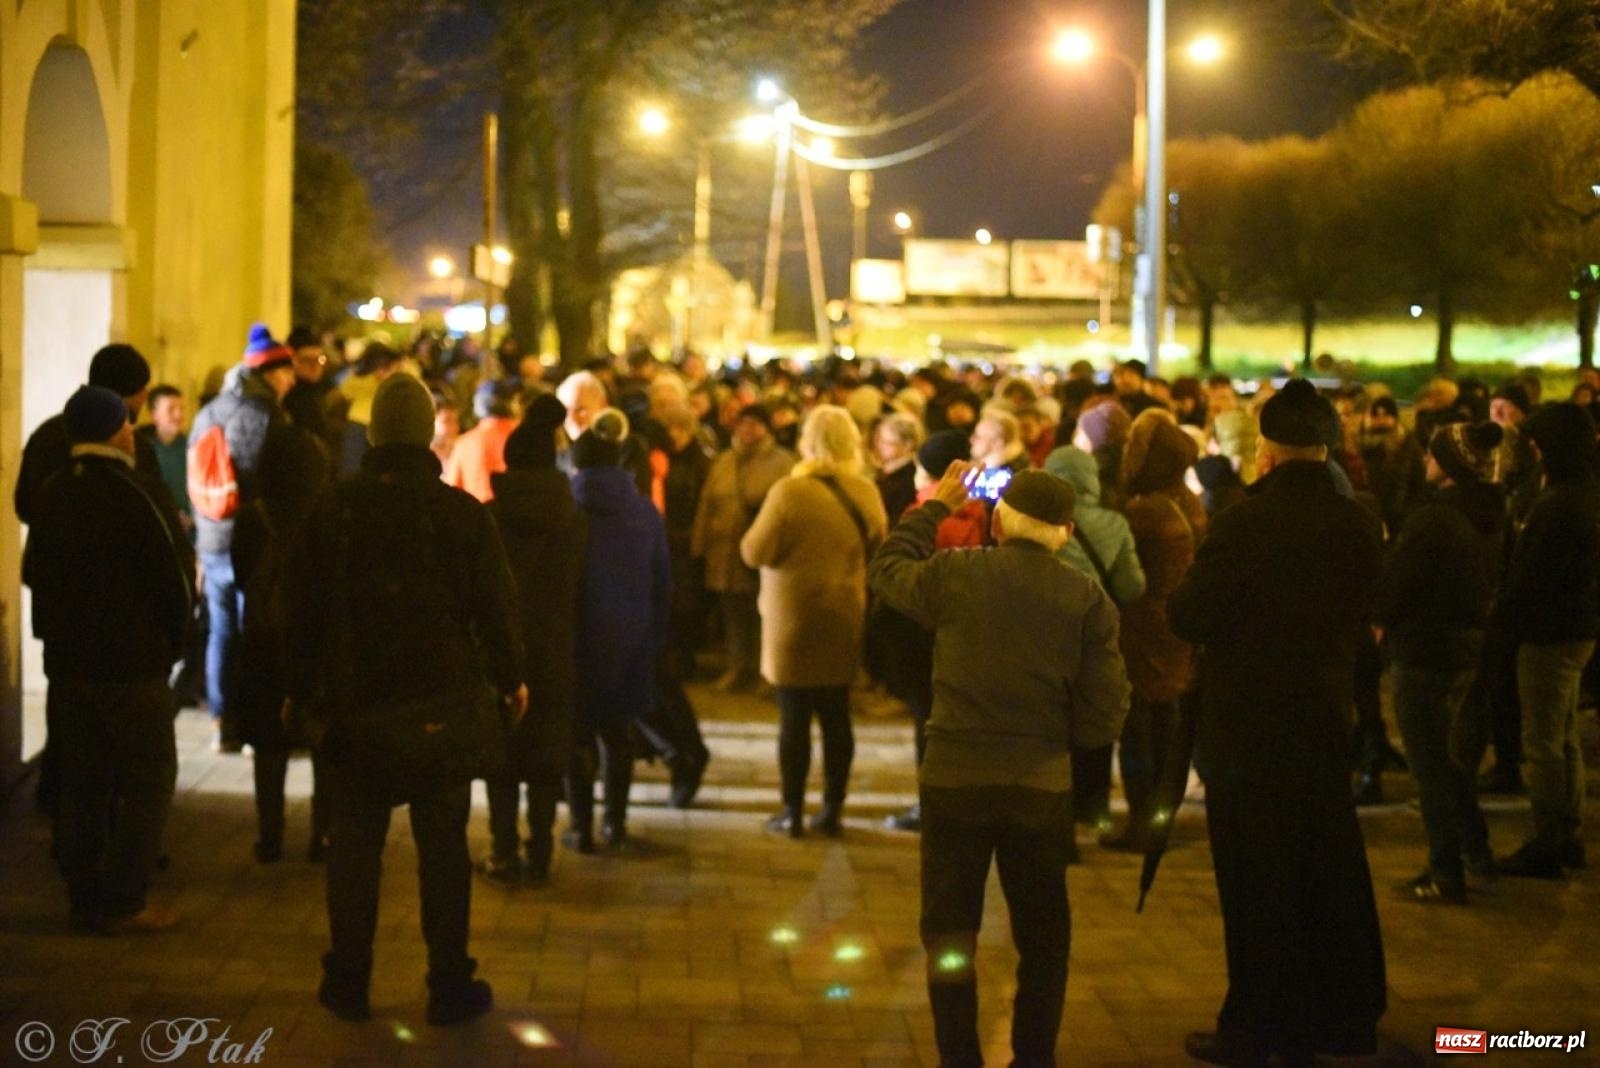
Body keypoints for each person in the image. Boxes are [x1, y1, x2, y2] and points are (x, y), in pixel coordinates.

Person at [868, 465, 1130, 1068]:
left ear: (1000, 519)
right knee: (1043, 936)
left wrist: (935, 506)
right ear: (1064, 532)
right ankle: (1033, 1057)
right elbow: (1105, 711)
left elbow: (886, 571)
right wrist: (1061, 740)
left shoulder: (959, 575)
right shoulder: (1086, 599)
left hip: (954, 777)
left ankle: (959, 1056)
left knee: (951, 931)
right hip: (1039, 784)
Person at [287, 374, 525, 1025]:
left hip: (354, 702)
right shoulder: (458, 514)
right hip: (438, 703)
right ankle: (448, 982)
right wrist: (511, 678)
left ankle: (348, 979)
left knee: (355, 844)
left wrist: (297, 689)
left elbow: (300, 607)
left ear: (373, 434)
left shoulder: (335, 509)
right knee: (444, 846)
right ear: (426, 435)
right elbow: (495, 607)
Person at [1168, 379, 1387, 1065]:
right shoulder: (1358, 522)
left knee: (1256, 878)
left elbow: (1190, 614)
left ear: (1265, 451)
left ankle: (1260, 1023)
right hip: (1323, 715)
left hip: (1249, 725)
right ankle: (1344, 1014)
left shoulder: (1244, 520)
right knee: (1328, 867)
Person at [25, 386, 192, 932]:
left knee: (84, 777)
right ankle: (124, 896)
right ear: (115, 431)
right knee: (149, 776)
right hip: (131, 663)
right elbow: (173, 576)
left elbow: (34, 574)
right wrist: (175, 641)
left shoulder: (53, 492)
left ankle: (82, 894)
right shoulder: (136, 490)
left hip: (70, 664)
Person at [741, 405, 888, 837]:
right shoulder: (865, 492)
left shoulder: (789, 492)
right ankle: (833, 809)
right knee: (837, 716)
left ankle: (793, 811)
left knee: (794, 718)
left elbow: (754, 551)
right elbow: (879, 546)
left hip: (793, 620)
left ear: (808, 440)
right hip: (843, 612)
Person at [1376, 420, 1506, 901]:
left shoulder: (1434, 520)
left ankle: (1445, 872)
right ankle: (1477, 852)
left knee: (1430, 766)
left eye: (1434, 456)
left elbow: (1397, 586)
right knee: (1448, 761)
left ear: (1450, 468)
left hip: (1425, 648)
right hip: (1464, 647)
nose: (1427, 462)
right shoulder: (1489, 514)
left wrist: (1379, 616)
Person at [483, 397, 585, 885]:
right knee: (546, 758)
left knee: (501, 756)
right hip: (557, 647)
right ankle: (540, 850)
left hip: (501, 649)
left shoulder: (490, 516)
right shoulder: (572, 519)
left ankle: (502, 851)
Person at [1497, 402, 1600, 878]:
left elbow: (1532, 576)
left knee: (1543, 742)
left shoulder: (1559, 504)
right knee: (1563, 738)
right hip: (1577, 630)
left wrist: (1506, 623)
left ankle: (1549, 839)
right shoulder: (1584, 494)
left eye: (1538, 445)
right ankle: (1569, 832)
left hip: (1549, 634)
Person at [189, 324, 298, 751]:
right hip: (244, 542)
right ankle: (250, 722)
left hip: (212, 536)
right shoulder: (259, 412)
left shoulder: (211, 409)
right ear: (267, 373)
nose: (290, 380)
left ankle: (221, 720)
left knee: (221, 631)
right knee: (252, 633)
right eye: (284, 372)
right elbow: (255, 481)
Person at [1102, 410, 1205, 852]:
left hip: (1143, 627)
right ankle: (1161, 818)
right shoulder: (1188, 500)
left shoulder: (1143, 512)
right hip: (1179, 625)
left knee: (1137, 726)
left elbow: (1125, 573)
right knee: (1167, 722)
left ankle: (1141, 821)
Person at [567, 418, 671, 852]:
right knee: (619, 734)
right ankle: (616, 823)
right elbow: (662, 579)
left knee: (578, 737)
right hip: (631, 636)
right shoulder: (644, 510)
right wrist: (656, 636)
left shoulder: (569, 508)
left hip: (578, 637)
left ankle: (581, 827)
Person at [232, 426, 333, 863]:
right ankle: (322, 836)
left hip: (263, 644)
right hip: (317, 642)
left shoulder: (253, 517)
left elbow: (241, 576)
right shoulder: (329, 513)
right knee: (323, 744)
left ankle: (270, 837)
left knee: (269, 747)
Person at [1043, 445, 1148, 833]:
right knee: (1094, 718)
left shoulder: (1042, 523)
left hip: (1049, 638)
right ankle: (1095, 804)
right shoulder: (1115, 523)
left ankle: (1060, 818)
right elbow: (1133, 585)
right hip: (1098, 635)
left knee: (1055, 724)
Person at [691, 404, 795, 692]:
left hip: (763, 554)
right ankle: (737, 667)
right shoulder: (723, 460)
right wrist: (699, 546)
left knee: (763, 614)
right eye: (743, 423)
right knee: (732, 615)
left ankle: (766, 672)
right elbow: (707, 504)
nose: (748, 430)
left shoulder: (783, 462)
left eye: (755, 424)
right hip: (723, 553)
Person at [443, 379, 519, 502]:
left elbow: (452, 492)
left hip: (480, 517)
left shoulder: (466, 443)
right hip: (522, 516)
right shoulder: (525, 437)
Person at [872, 412, 922, 523]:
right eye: (879, 440)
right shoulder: (886, 469)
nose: (879, 446)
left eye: (887, 443)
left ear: (907, 445)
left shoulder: (908, 479)